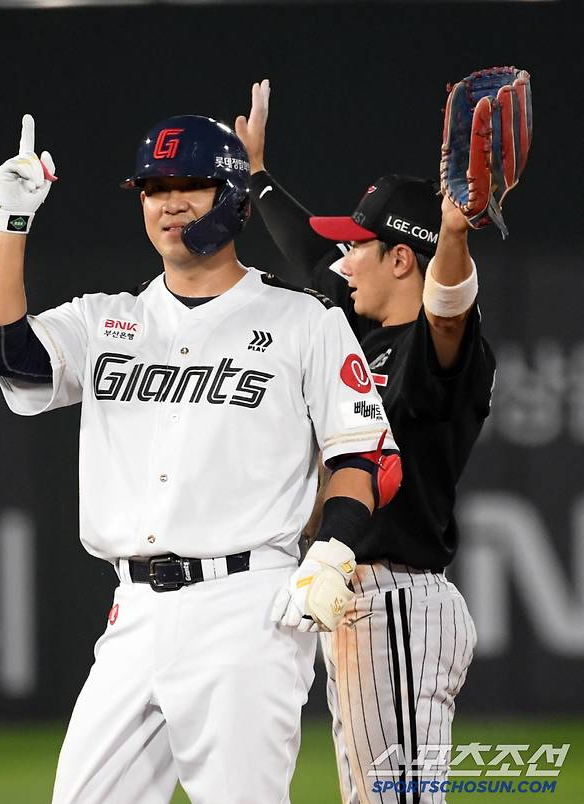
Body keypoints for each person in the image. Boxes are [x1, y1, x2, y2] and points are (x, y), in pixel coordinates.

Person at [0, 112, 401, 803]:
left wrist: (333, 551)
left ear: (231, 197)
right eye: (153, 188)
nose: (168, 203)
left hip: (247, 609)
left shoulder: (302, 318)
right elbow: (3, 350)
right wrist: (11, 221)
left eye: (189, 185)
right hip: (134, 610)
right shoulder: (107, 319)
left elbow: (365, 454)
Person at [236, 80, 496, 803]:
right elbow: (303, 252)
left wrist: (453, 236)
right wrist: (257, 176)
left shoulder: (441, 352)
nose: (341, 262)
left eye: (356, 247)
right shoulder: (361, 329)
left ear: (402, 260)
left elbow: (449, 308)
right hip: (358, 600)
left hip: (399, 601)